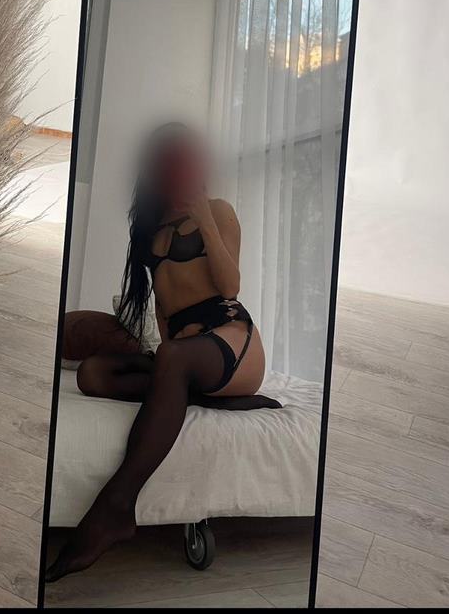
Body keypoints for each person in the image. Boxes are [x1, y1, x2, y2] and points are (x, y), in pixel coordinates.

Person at [46, 122, 280, 582]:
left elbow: (230, 286)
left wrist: (205, 219)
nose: (179, 170)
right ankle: (203, 397)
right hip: (186, 352)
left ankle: (116, 507)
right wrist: (167, 351)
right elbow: (162, 306)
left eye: (185, 160)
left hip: (231, 342)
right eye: (170, 162)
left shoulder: (219, 211)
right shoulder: (150, 228)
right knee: (92, 374)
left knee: (172, 360)